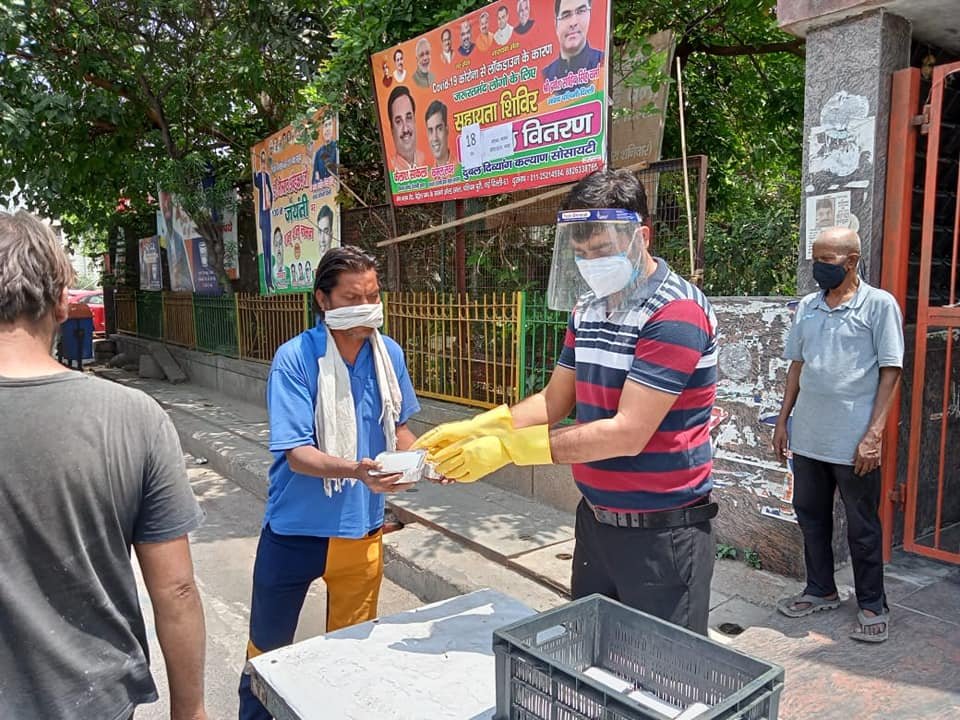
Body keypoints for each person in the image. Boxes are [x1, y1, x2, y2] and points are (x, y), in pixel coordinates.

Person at [416, 170, 720, 635]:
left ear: (642, 236)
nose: (590, 263)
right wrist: (485, 426)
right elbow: (554, 399)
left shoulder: (674, 312)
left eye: (601, 250)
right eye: (580, 254)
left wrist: (511, 450)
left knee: (661, 681)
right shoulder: (590, 307)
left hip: (664, 534)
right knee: (592, 658)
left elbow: (628, 432)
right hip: (596, 522)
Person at [0, 211, 207, 720]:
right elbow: (175, 588)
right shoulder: (134, 418)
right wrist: (191, 709)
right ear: (60, 302)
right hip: (93, 699)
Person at [238, 246, 422, 720]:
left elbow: (398, 426)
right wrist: (356, 471)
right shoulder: (296, 359)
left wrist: (423, 459)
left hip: (361, 532)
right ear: (323, 300)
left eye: (373, 295)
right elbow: (297, 455)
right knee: (267, 657)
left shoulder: (388, 355)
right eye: (352, 297)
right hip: (295, 533)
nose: (367, 307)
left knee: (350, 658)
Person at [773, 227, 903, 644]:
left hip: (854, 442)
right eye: (816, 258)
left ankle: (872, 603)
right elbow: (797, 365)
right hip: (809, 436)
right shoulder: (809, 307)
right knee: (811, 516)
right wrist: (782, 419)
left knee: (862, 525)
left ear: (851, 261)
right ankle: (820, 589)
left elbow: (891, 371)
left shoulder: (879, 306)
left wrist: (875, 434)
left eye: (826, 260)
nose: (818, 268)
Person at [543, 0, 603, 83]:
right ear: (555, 23)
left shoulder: (602, 62)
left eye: (581, 11)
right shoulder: (545, 77)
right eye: (566, 15)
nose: (573, 23)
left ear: (590, 14)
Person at [159, 190, 196, 292]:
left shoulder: (180, 236)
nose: (165, 205)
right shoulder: (168, 236)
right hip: (179, 287)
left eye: (168, 202)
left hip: (189, 285)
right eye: (163, 202)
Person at [387, 85, 424, 170]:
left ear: (415, 121)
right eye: (398, 121)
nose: (405, 129)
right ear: (392, 129)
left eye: (408, 118)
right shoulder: (391, 169)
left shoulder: (430, 161)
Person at [254, 151, 275, 291]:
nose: (263, 166)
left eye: (264, 163)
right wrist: (257, 172)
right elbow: (256, 185)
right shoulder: (258, 177)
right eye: (261, 163)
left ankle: (269, 281)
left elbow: (271, 192)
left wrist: (270, 204)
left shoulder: (267, 176)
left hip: (267, 214)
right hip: (261, 216)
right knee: (264, 250)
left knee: (268, 249)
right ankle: (266, 280)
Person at [311, 115, 338, 184]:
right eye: (325, 125)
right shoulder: (318, 153)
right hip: (323, 191)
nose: (327, 129)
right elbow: (314, 179)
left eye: (329, 124)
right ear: (322, 130)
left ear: (333, 127)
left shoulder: (337, 147)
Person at [425, 100, 452, 167]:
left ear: (446, 130)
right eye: (431, 131)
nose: (435, 138)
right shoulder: (429, 176)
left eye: (439, 129)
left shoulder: (461, 167)